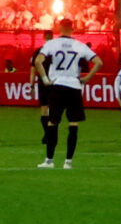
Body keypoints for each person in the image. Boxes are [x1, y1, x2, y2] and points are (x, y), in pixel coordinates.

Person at [32, 20, 98, 169]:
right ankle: (68, 162)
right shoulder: (79, 45)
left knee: (53, 122)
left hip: (58, 85)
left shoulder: (52, 44)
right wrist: (87, 77)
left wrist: (45, 79)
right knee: (73, 123)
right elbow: (99, 62)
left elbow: (37, 61)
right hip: (74, 86)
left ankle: (49, 160)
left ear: (60, 28)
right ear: (72, 29)